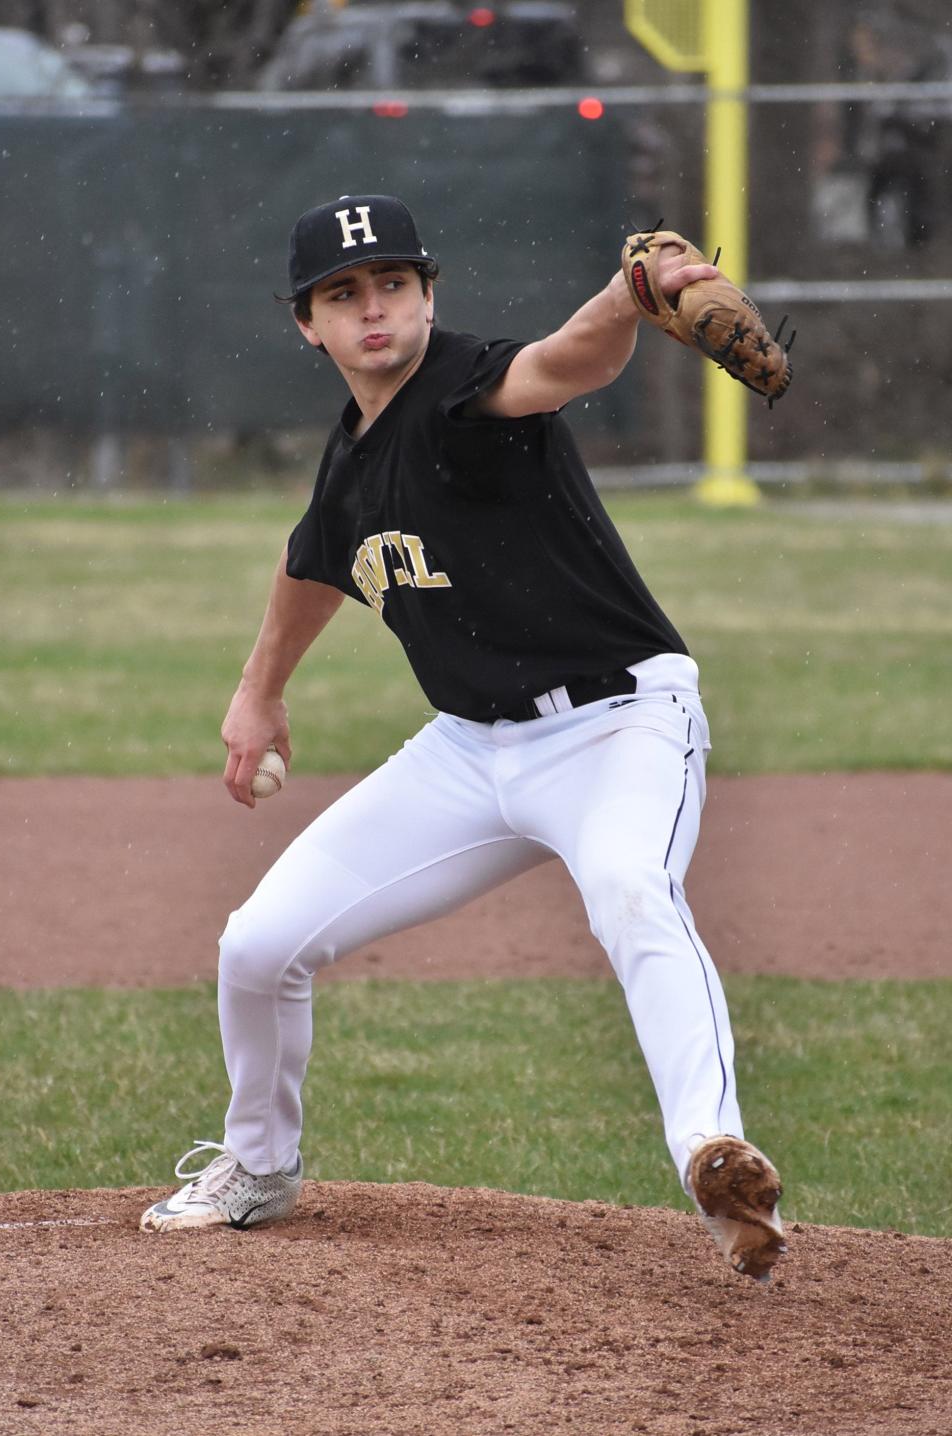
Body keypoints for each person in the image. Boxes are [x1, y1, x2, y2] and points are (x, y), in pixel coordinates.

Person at [140, 194, 786, 1282]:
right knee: (256, 945)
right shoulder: (351, 460)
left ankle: (713, 1153)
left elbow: (568, 361)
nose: (373, 306)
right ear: (307, 323)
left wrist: (630, 296)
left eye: (393, 282)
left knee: (632, 887)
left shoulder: (468, 383)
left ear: (430, 294)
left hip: (621, 721)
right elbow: (311, 566)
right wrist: (258, 694)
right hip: (470, 750)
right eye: (343, 294)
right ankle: (257, 1166)